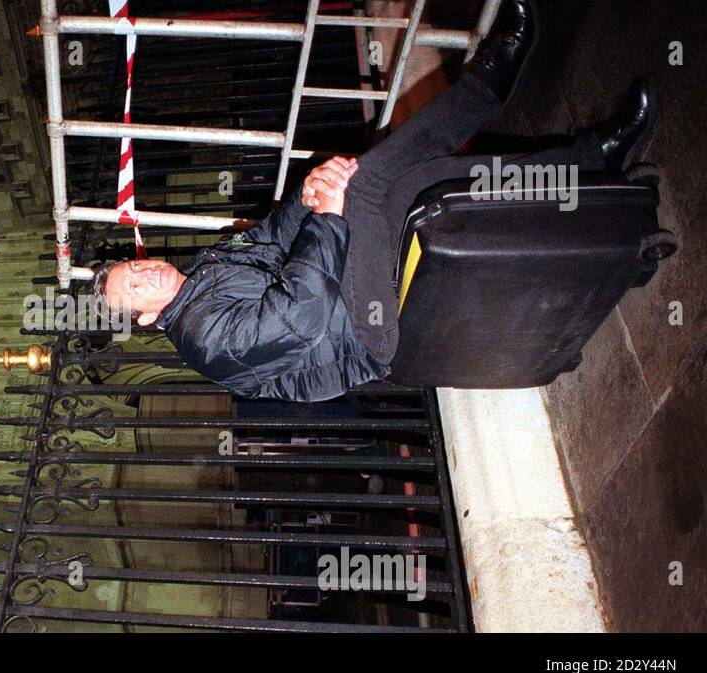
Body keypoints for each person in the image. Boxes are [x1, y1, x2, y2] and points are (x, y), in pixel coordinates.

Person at [90, 0, 655, 402]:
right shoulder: (203, 340)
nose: (146, 271)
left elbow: (269, 239)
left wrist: (310, 196)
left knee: (425, 178)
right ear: (144, 318)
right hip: (363, 332)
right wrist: (332, 212)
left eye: (135, 265)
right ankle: (494, 77)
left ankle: (590, 157)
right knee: (366, 185)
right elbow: (300, 316)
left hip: (351, 286)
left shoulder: (207, 270)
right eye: (135, 286)